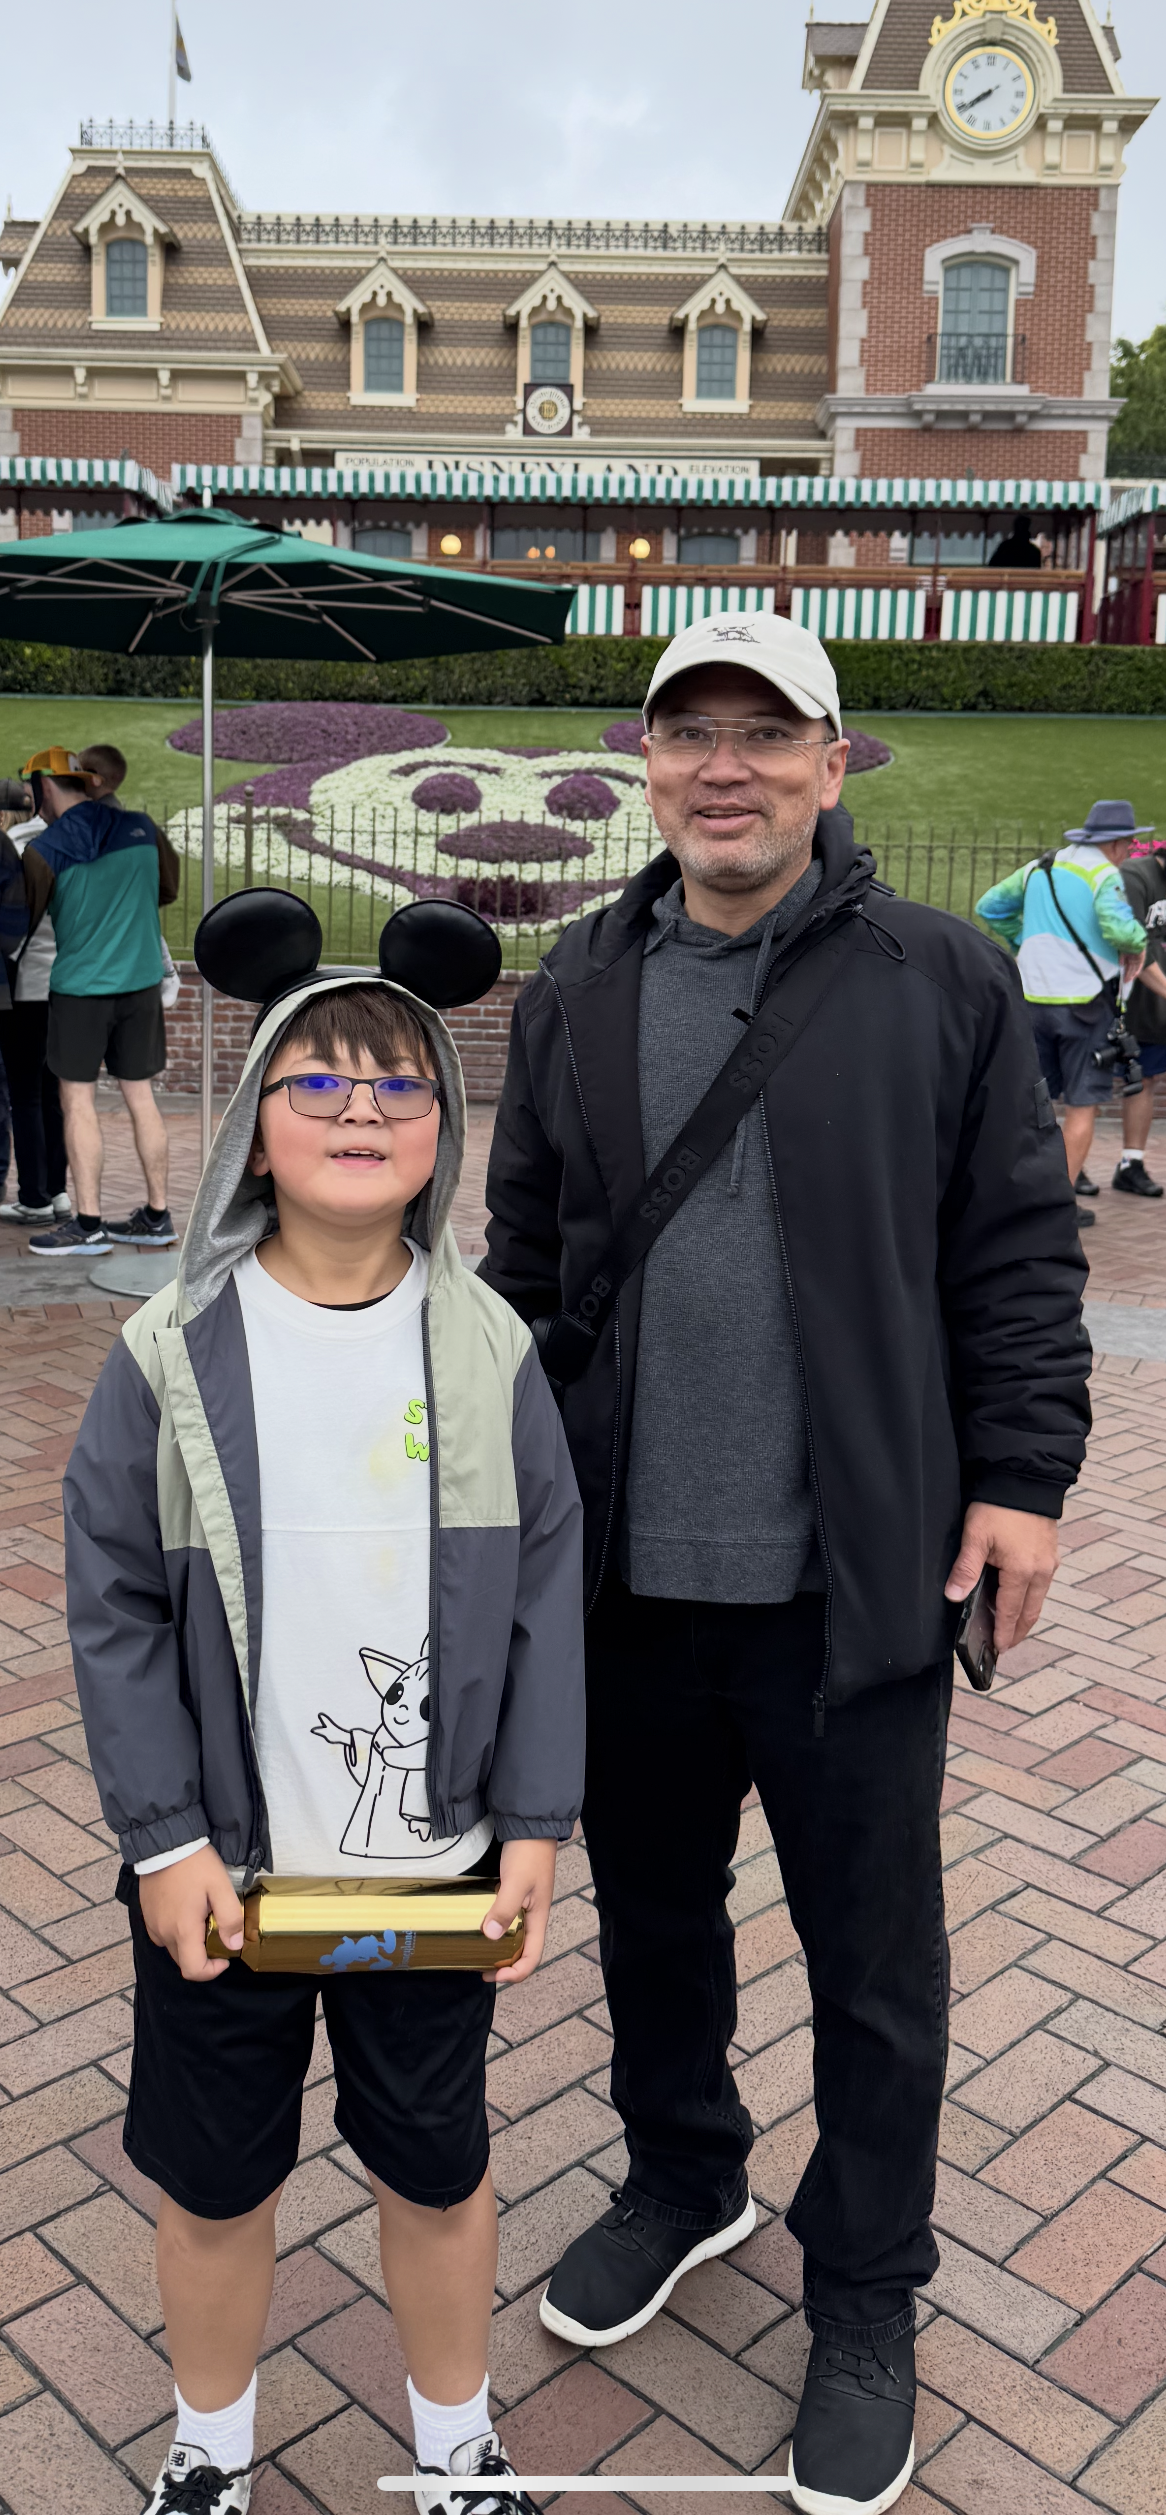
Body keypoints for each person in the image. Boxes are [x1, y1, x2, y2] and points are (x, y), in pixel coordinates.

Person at [480, 611, 1091, 2515]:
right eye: (692, 730)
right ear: (648, 762)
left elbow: (1017, 1248)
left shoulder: (940, 973)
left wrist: (1024, 1478)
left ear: (836, 762)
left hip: (854, 1582)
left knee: (874, 1964)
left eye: (768, 731)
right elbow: (524, 1261)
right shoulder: (578, 981)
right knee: (656, 1924)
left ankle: (867, 2285)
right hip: (625, 1580)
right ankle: (685, 2173)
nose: (725, 765)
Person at [62, 935, 585, 2515]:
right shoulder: (172, 1350)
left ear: (443, 1128)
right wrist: (162, 1838)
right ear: (250, 1129)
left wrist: (534, 1824)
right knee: (215, 2184)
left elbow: (544, 1594)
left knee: (437, 2164)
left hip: (428, 1879)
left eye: (399, 1087)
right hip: (226, 1878)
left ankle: (455, 2445)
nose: (362, 1111)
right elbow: (115, 1605)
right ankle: (209, 2449)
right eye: (321, 1085)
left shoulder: (489, 1348)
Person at [15, 747, 182, 1256]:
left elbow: (23, 918)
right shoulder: (142, 828)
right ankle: (158, 1216)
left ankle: (87, 1225)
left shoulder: (44, 849)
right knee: (141, 1097)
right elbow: (167, 888)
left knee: (77, 1101)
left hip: (80, 989)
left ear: (46, 787)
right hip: (141, 984)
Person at [976, 799, 1166, 1227]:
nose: (1129, 851)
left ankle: (1019, 1196)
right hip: (1086, 1004)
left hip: (1033, 999)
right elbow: (1119, 929)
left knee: (1035, 1102)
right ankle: (1055, 1210)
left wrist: (1025, 943)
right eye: (1129, 843)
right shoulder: (1103, 875)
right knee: (1083, 1106)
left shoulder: (1040, 867)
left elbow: (990, 906)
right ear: (1116, 844)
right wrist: (1137, 946)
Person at [0, 795, 71, 1226]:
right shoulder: (76, 846)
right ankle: (57, 1191)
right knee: (52, 1094)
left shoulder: (19, 844)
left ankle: (34, 1196)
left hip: (27, 983)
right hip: (65, 983)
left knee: (25, 1096)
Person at [1112, 835, 1166, 1198]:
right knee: (1090, 1083)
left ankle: (1130, 1165)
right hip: (1124, 1000)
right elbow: (1133, 945)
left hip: (1158, 1007)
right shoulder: (1136, 875)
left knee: (1146, 1079)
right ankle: (1073, 1164)